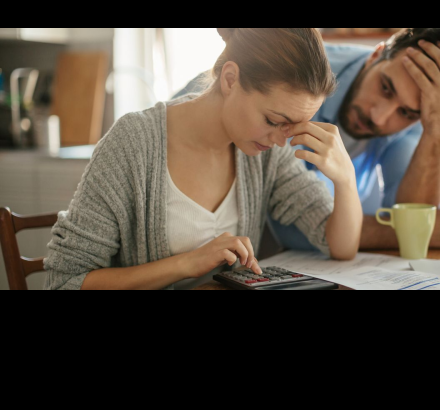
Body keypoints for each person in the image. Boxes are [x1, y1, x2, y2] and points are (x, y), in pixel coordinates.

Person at [44, 28, 363, 290]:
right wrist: (186, 263)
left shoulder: (263, 154)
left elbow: (340, 246)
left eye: (293, 126)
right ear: (230, 79)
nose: (282, 139)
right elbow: (66, 280)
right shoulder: (133, 144)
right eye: (273, 120)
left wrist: (345, 179)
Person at [177, 28, 440, 252]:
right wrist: (424, 232)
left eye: (406, 113)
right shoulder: (301, 84)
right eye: (385, 88)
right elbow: (298, 230)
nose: (380, 117)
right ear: (376, 55)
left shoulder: (421, 114)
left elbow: (411, 226)